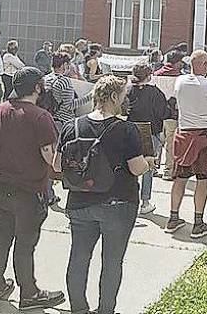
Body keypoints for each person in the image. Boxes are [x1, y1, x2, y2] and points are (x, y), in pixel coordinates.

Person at [54, 75, 150, 314]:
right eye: (124, 96)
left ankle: (78, 308)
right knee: (112, 262)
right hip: (118, 202)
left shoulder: (71, 126)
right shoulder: (126, 129)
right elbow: (136, 168)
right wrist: (149, 162)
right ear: (115, 97)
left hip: (79, 201)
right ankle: (105, 309)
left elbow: (57, 165)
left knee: (78, 257)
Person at [0, 67, 65, 310]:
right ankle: (30, 293)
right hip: (29, 188)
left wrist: (7, 151)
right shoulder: (41, 116)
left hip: (1, 185)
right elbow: (50, 157)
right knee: (25, 243)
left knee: (1, 236)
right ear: (37, 87)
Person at [166, 50, 207, 236]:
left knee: (179, 179)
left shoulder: (180, 81)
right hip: (203, 135)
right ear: (204, 65)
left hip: (183, 134)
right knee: (202, 180)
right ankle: (198, 222)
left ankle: (173, 217)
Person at [43, 52, 93, 206]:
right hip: (64, 123)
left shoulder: (46, 79)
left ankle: (48, 193)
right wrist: (90, 96)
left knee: (49, 159)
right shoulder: (64, 82)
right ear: (64, 65)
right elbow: (70, 105)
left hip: (48, 120)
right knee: (66, 160)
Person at [127, 63, 171, 215]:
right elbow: (163, 113)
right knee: (148, 168)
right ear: (149, 75)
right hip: (150, 131)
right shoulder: (155, 92)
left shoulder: (128, 91)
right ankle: (145, 202)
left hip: (131, 131)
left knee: (129, 166)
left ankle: (129, 199)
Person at [154, 50, 187, 181]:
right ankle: (168, 171)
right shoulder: (179, 78)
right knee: (170, 143)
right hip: (172, 114)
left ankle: (154, 167)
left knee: (157, 141)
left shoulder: (156, 74)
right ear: (177, 63)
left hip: (156, 113)